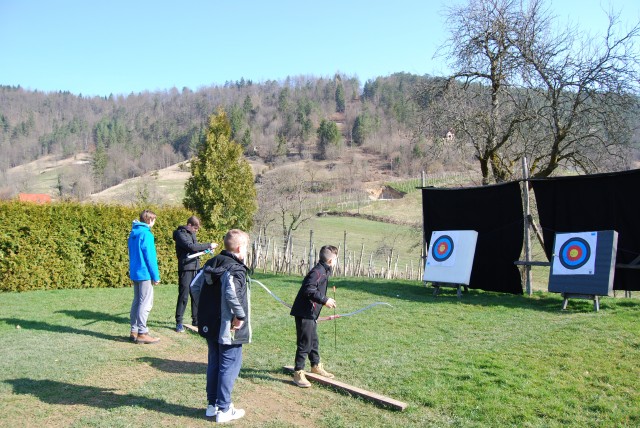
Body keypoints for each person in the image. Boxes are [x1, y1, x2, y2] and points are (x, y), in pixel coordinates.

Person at [198, 229, 251, 423]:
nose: (246, 250)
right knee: (229, 364)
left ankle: (212, 405)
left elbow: (195, 287)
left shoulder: (211, 262)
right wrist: (239, 315)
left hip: (210, 323)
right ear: (239, 247)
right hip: (228, 326)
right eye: (246, 246)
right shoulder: (235, 268)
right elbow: (231, 293)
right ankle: (225, 408)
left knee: (215, 362)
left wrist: (202, 311)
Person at [289, 245, 338, 387]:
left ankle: (315, 366)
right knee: (305, 343)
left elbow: (315, 290)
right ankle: (298, 373)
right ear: (330, 260)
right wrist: (324, 300)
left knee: (313, 341)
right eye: (336, 259)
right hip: (305, 312)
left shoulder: (324, 270)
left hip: (311, 312)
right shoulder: (317, 271)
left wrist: (324, 299)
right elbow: (308, 290)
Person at [172, 216, 217, 332]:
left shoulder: (192, 234)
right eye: (195, 229)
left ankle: (196, 320)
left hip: (195, 267)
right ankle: (179, 322)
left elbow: (195, 249)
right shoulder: (180, 234)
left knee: (196, 292)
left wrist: (205, 250)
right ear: (189, 225)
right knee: (184, 295)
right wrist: (208, 245)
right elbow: (190, 247)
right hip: (186, 268)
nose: (196, 231)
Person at [128, 209, 161, 345]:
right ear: (149, 220)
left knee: (137, 301)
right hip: (144, 273)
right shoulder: (146, 234)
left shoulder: (133, 233)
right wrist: (156, 276)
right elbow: (150, 257)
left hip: (135, 272)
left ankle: (134, 330)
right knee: (145, 302)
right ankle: (142, 333)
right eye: (154, 220)